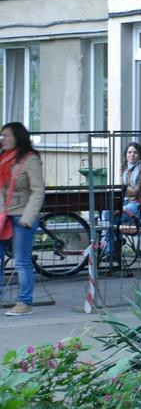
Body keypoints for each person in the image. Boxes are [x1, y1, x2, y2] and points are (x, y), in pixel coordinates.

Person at [0, 123, 44, 316]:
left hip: (21, 216)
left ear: (17, 137)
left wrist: (28, 218)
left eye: (6, 135)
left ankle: (25, 302)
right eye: (1, 136)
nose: (3, 139)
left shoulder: (30, 159)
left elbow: (38, 190)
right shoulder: (3, 158)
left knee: (21, 261)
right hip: (3, 216)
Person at [120, 142, 141, 222]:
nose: (132, 155)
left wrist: (125, 187)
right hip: (125, 201)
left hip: (137, 203)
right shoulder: (124, 168)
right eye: (129, 152)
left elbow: (136, 192)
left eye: (135, 152)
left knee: (119, 213)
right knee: (106, 211)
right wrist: (127, 188)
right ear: (126, 154)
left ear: (140, 155)